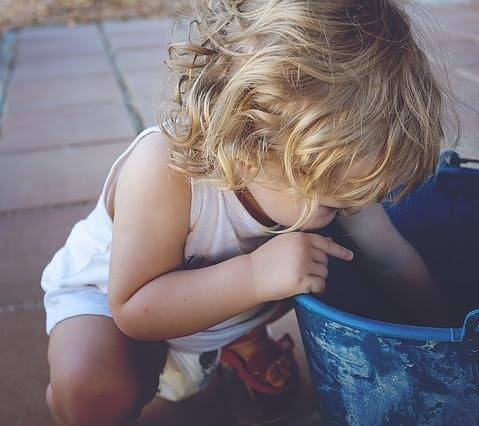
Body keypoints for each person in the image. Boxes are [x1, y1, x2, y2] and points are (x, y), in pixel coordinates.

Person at [41, 0, 456, 423]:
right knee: (96, 393)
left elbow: (391, 261)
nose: (352, 208)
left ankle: (236, 338)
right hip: (116, 305)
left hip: (220, 309)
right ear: (246, 146)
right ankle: (227, 341)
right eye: (336, 200)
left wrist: (447, 342)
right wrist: (256, 276)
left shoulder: (328, 173)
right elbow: (134, 309)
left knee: (333, 270)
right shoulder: (164, 170)